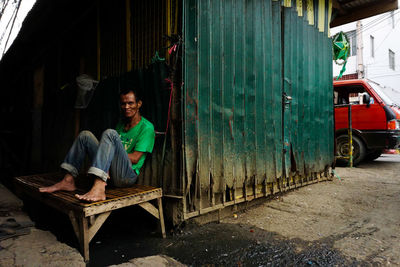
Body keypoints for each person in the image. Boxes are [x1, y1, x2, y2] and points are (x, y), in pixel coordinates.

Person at [39, 88, 155, 202]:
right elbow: (111, 150)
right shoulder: (121, 123)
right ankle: (68, 180)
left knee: (110, 133)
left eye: (130, 103)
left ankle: (99, 185)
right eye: (123, 103)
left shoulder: (147, 128)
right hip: (112, 172)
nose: (126, 107)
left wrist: (108, 154)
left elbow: (135, 158)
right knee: (85, 135)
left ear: (139, 104)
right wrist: (107, 156)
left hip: (126, 176)